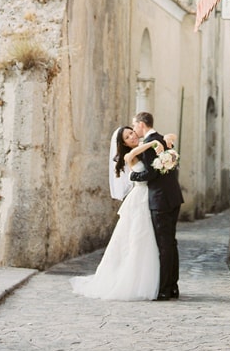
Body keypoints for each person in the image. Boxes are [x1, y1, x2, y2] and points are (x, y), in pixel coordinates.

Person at [70, 126, 168, 301]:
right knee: (135, 237)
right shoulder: (128, 156)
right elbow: (135, 155)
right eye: (127, 136)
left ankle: (144, 280)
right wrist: (153, 142)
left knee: (145, 238)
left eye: (132, 132)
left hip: (148, 197)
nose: (132, 136)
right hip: (138, 198)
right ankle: (128, 282)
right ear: (123, 143)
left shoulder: (143, 152)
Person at [129, 111, 183, 301]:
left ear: (142, 124)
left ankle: (164, 289)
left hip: (160, 200)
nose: (134, 130)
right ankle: (173, 286)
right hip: (174, 197)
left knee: (164, 245)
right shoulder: (162, 139)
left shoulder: (149, 144)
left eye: (134, 125)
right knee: (171, 242)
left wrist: (133, 176)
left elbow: (152, 174)